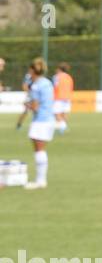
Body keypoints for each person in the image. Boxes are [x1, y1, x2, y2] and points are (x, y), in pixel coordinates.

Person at [22, 58, 55, 190]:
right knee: (41, 150)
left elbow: (35, 107)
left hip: (41, 120)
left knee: (39, 150)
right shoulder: (47, 82)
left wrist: (27, 105)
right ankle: (40, 180)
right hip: (49, 119)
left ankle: (40, 181)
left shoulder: (36, 85)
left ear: (32, 70)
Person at [51, 62, 74, 133]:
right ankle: (63, 127)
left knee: (56, 113)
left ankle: (62, 127)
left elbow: (54, 86)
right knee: (64, 114)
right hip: (67, 97)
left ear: (59, 69)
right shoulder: (69, 77)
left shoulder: (56, 77)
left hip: (58, 97)